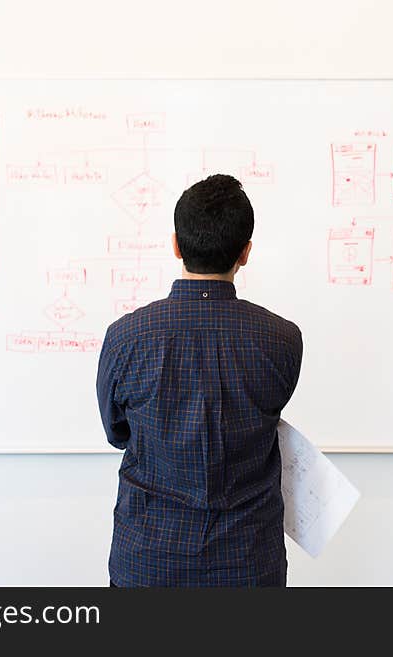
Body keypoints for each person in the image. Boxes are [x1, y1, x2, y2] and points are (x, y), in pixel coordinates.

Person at [96, 174, 303, 587]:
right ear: (245, 253)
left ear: (176, 244)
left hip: (148, 561)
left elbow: (118, 432)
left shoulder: (126, 337)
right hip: (248, 564)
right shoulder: (282, 339)